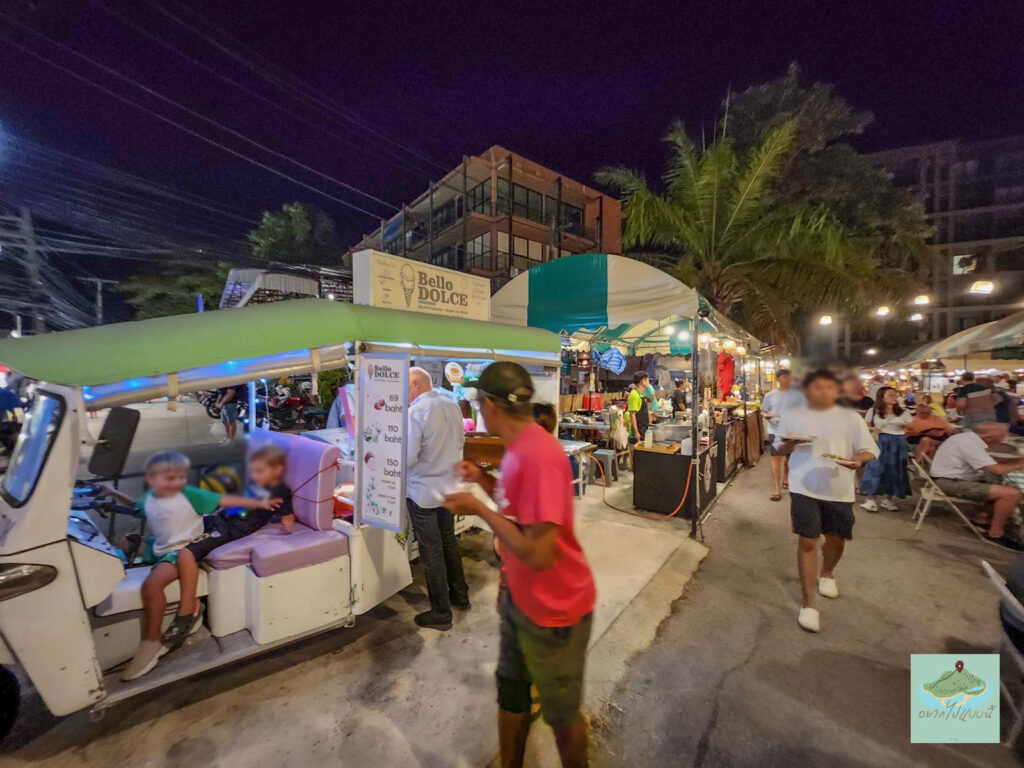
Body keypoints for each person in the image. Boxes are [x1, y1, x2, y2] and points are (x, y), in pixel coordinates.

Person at [445, 362, 595, 768]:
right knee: (511, 692)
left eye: (479, 402)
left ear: (489, 405)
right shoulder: (517, 449)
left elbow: (539, 552)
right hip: (522, 599)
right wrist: (482, 480)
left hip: (556, 609)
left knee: (562, 717)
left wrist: (476, 507)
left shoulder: (538, 454)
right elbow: (519, 512)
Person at [101, 450, 284, 680]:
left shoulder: (189, 494)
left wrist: (260, 503)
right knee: (128, 542)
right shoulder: (151, 497)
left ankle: (153, 640)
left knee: (151, 586)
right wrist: (111, 493)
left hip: (179, 550)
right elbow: (137, 508)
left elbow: (227, 501)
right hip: (160, 547)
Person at [775, 370, 878, 633]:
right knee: (808, 540)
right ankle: (808, 604)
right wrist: (789, 444)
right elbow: (778, 448)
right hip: (802, 483)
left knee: (835, 538)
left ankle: (827, 572)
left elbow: (869, 450)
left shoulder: (851, 418)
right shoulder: (794, 415)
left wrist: (859, 460)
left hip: (839, 486)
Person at [406, 367, 469, 630]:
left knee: (431, 551)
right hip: (449, 488)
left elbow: (409, 456)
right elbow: (461, 442)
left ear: (416, 384)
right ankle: (460, 596)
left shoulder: (416, 412)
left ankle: (441, 614)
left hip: (423, 492)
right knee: (448, 542)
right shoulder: (452, 406)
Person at [929, 422, 1024, 545]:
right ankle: (995, 533)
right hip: (949, 482)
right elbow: (998, 469)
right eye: (1001, 438)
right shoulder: (968, 444)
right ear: (989, 437)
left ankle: (982, 519)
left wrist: (1018, 461)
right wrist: (1020, 464)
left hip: (951, 478)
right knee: (1012, 494)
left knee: (999, 483)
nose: (1002, 442)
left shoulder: (967, 438)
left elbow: (993, 461)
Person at [859, 386, 913, 512]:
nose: (894, 397)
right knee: (876, 468)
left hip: (898, 441)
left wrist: (903, 424)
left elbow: (912, 426)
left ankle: (888, 499)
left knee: (895, 469)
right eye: (890, 395)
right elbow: (867, 425)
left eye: (895, 395)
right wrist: (874, 429)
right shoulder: (873, 411)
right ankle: (871, 499)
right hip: (881, 440)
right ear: (882, 397)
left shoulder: (903, 412)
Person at [761, 369, 807, 501]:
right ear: (778, 379)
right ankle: (776, 490)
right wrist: (766, 415)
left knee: (790, 459)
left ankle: (786, 478)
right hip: (775, 431)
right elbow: (763, 411)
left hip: (793, 432)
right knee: (776, 458)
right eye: (784, 377)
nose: (787, 379)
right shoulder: (770, 395)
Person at [627, 371, 651, 444]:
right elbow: (632, 415)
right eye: (648, 381)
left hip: (643, 428)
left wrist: (650, 413)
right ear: (643, 381)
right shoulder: (634, 395)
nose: (648, 383)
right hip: (638, 430)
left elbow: (641, 410)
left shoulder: (640, 394)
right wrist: (636, 432)